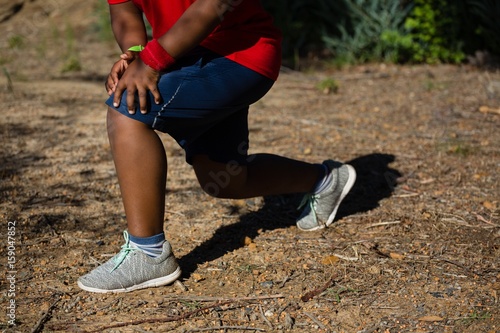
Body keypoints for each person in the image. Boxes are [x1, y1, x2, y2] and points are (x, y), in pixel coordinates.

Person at [77, 0, 356, 293]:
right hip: (183, 52)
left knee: (126, 108)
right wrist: (135, 52)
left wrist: (150, 62)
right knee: (223, 180)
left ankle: (148, 253)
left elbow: (216, 4)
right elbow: (124, 10)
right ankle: (324, 180)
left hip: (240, 54)